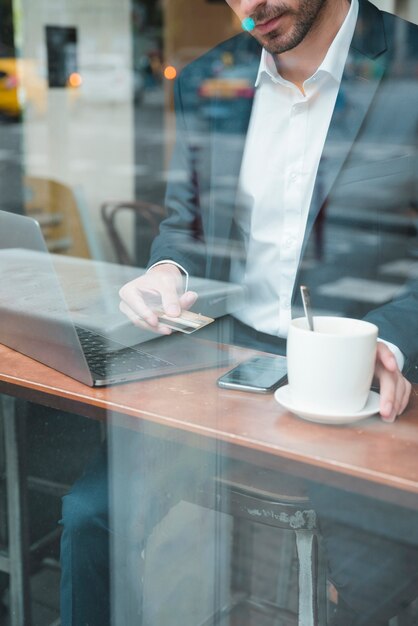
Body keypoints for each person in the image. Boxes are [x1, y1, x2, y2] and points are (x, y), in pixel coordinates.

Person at [60, 1, 418, 624]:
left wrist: (385, 342)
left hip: (359, 376)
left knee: (369, 587)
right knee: (91, 517)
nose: (249, 6)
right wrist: (165, 273)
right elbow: (187, 226)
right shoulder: (210, 77)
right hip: (225, 363)